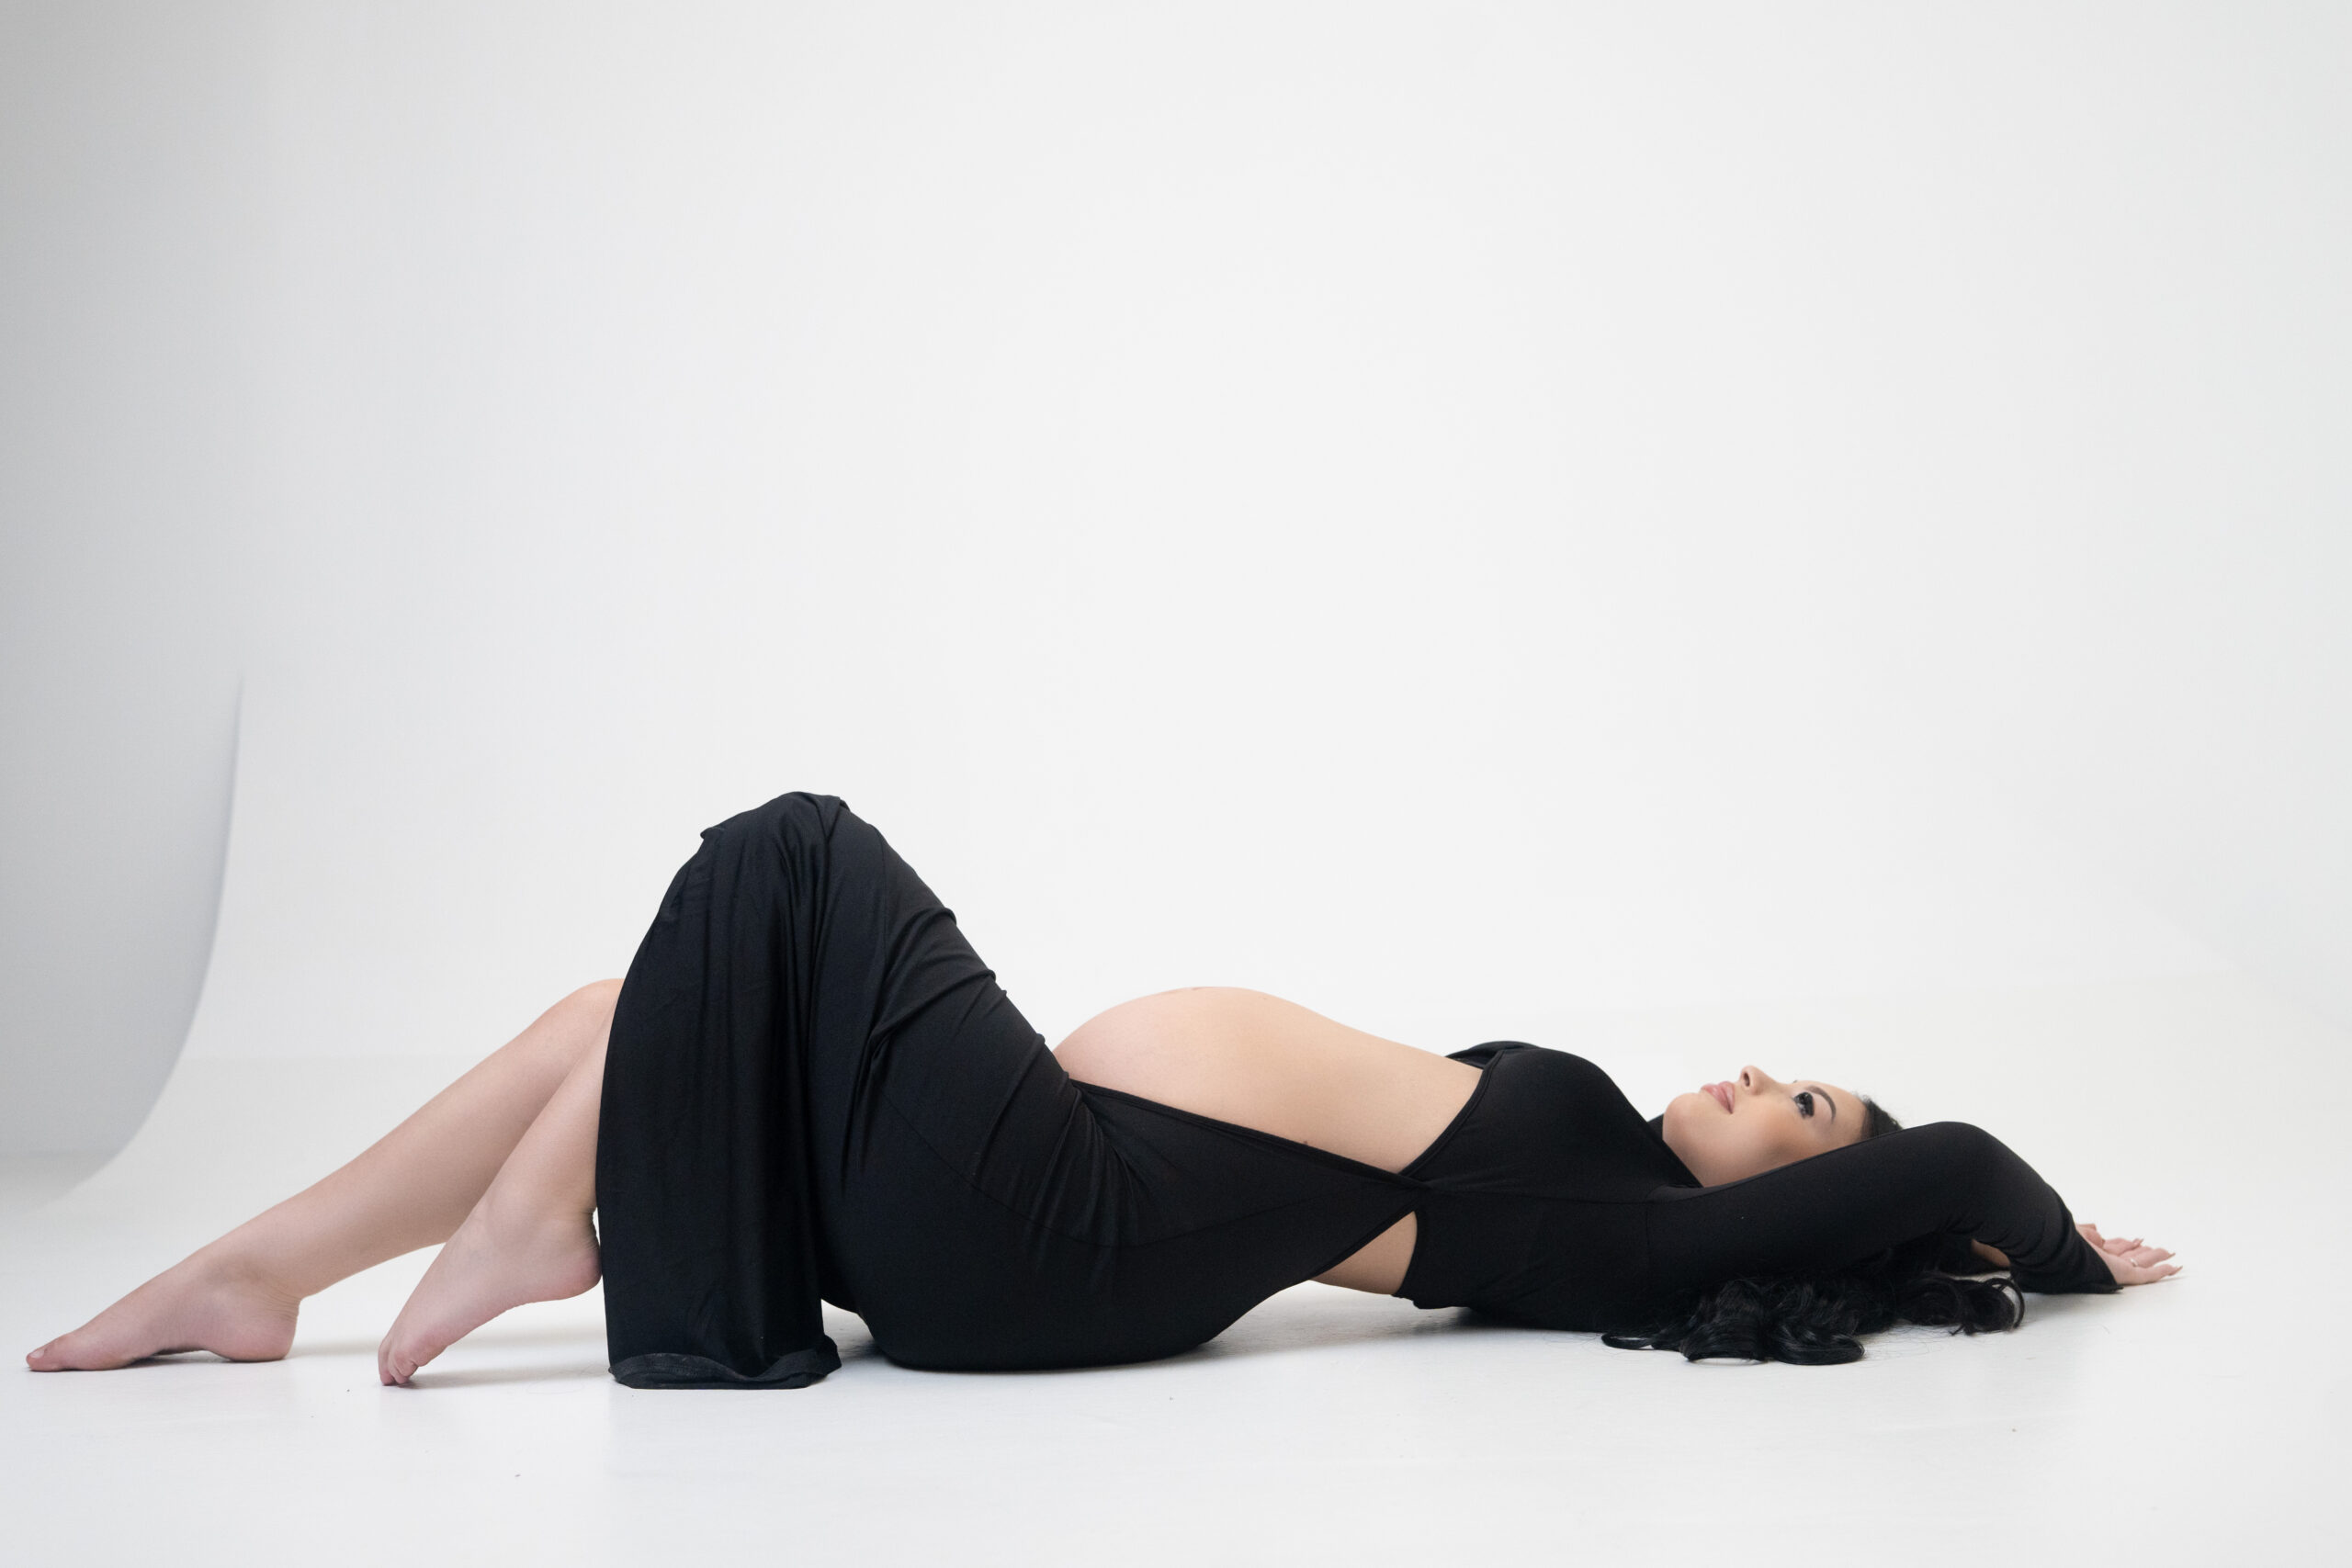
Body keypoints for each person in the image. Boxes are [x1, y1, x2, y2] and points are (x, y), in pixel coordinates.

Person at [26, 791, 2178, 1387]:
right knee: (633, 1005)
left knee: (797, 853)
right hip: (1012, 1220)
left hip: (1041, 1231)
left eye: (1798, 1107)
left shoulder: (1637, 1226)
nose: (1759, 1078)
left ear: (1790, 1201)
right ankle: (255, 1270)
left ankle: (532, 1232)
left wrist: (2048, 1244)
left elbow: (1958, 1154)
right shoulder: (1599, 1156)